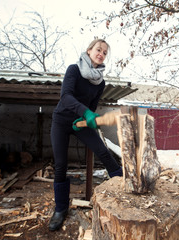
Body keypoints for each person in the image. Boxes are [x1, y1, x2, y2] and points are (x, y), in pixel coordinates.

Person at [49, 39, 123, 231]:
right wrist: (86, 112)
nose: (101, 54)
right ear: (89, 50)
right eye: (98, 50)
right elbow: (65, 97)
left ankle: (126, 189)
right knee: (60, 165)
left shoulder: (100, 81)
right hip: (62, 121)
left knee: (104, 153)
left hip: (81, 123)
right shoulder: (74, 70)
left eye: (105, 52)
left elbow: (92, 106)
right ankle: (61, 209)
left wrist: (87, 116)